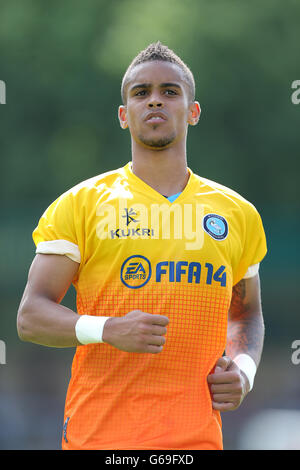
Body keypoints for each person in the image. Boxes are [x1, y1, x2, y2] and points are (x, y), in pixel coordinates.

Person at [17, 42, 267, 450]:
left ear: (193, 111)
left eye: (170, 92)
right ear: (123, 115)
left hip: (197, 441)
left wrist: (243, 370)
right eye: (141, 92)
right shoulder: (81, 204)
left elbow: (246, 313)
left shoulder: (237, 214)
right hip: (99, 439)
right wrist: (109, 329)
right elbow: (30, 317)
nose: (155, 101)